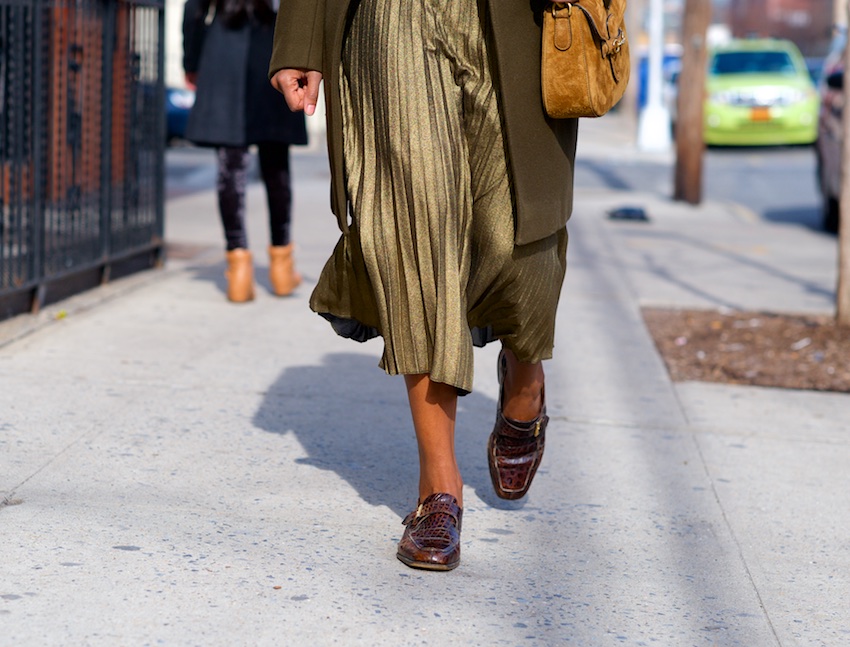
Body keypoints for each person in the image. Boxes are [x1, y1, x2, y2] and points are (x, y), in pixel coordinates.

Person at [269, 0, 578, 571]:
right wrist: (300, 35)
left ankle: (524, 381)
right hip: (388, 21)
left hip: (517, 18)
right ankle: (439, 490)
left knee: (519, 238)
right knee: (412, 235)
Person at [182, 0, 308, 302]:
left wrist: (193, 62)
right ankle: (281, 268)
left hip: (223, 51)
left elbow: (194, 11)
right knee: (276, 164)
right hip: (272, 50)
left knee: (230, 167)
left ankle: (238, 270)